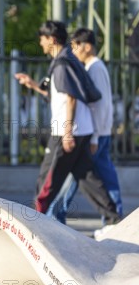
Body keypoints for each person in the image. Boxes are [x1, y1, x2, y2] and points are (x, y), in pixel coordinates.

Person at [14, 21, 120, 225]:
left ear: (52, 40)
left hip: (67, 131)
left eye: (42, 38)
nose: (40, 42)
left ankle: (35, 222)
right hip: (83, 130)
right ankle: (113, 218)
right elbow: (60, 96)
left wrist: (67, 132)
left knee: (48, 179)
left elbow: (70, 98)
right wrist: (34, 85)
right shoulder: (70, 60)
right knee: (87, 177)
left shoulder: (62, 64)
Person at [47, 28, 123, 237]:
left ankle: (55, 216)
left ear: (87, 46)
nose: (73, 50)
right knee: (96, 176)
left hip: (96, 133)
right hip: (99, 132)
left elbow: (99, 105)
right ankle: (114, 219)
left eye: (75, 46)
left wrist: (96, 136)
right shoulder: (95, 67)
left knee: (80, 175)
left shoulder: (94, 68)